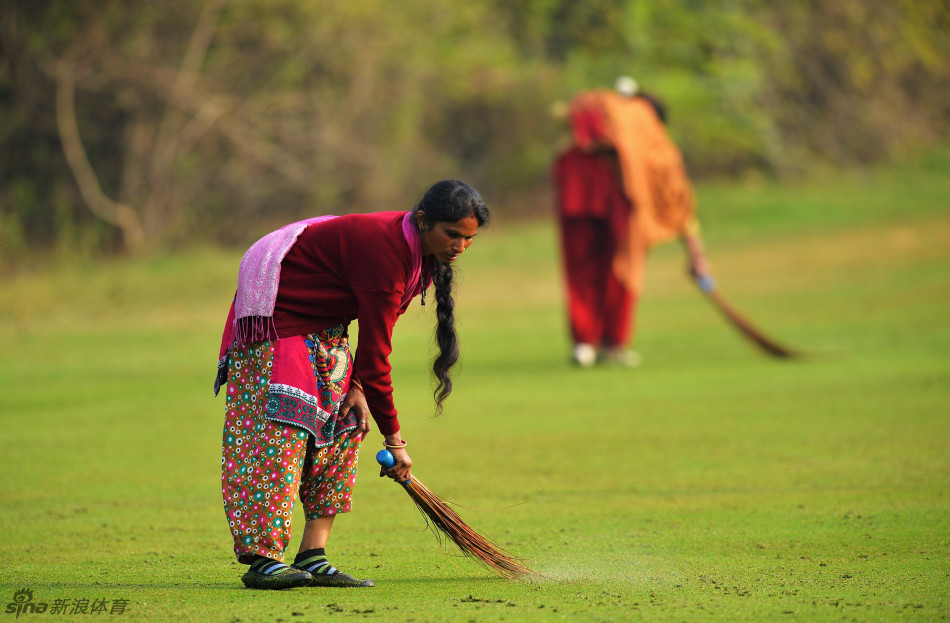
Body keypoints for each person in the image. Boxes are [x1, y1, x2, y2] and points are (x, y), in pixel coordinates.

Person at [213, 179, 490, 589]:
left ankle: (313, 555)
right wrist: (396, 441)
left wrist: (358, 387)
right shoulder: (386, 249)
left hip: (326, 327)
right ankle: (264, 558)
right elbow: (379, 356)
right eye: (452, 234)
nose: (460, 246)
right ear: (422, 220)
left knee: (346, 425)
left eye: (469, 238)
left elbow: (380, 333)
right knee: (283, 434)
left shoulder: (422, 256)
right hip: (280, 322)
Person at [552, 78, 712, 367]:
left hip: (577, 184)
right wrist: (696, 254)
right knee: (622, 267)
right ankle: (612, 343)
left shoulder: (595, 115)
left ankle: (585, 344)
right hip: (619, 193)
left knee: (582, 268)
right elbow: (675, 198)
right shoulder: (652, 139)